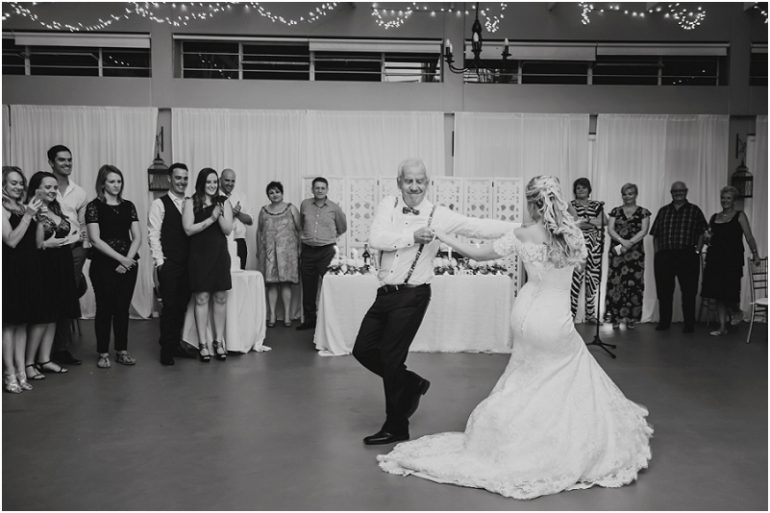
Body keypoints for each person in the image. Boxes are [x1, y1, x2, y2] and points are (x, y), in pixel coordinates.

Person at [377, 175, 653, 500]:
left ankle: (516, 433)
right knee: (562, 374)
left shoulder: (522, 234)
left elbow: (479, 254)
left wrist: (445, 236)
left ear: (532, 203)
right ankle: (547, 437)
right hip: (553, 318)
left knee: (527, 376)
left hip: (524, 317)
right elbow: (576, 267)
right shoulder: (573, 234)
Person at [353, 158, 514, 446]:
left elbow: (477, 227)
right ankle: (412, 383)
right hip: (385, 293)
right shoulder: (388, 204)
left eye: (420, 181)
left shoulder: (437, 215)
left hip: (413, 295)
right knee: (362, 350)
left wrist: (524, 227)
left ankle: (396, 426)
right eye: (409, 181)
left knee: (391, 358)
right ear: (399, 182)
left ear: (427, 183)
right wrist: (412, 236)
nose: (414, 187)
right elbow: (377, 238)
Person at [25, 172, 80, 379]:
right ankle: (29, 363)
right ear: (36, 189)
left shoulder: (56, 208)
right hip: (43, 267)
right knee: (42, 317)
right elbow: (33, 244)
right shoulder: (30, 210)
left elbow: (65, 233)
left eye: (55, 187)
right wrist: (48, 243)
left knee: (54, 316)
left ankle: (45, 359)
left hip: (61, 266)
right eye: (47, 187)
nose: (52, 191)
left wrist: (76, 236)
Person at [86, 165, 141, 368]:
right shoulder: (94, 206)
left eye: (119, 181)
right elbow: (95, 239)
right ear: (102, 184)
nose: (116, 185)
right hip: (103, 264)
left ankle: (122, 351)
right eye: (111, 181)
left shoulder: (129, 206)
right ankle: (103, 353)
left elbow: (137, 237)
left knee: (122, 308)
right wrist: (121, 259)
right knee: (104, 308)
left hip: (128, 263)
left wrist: (127, 261)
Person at [183, 168, 233, 362]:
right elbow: (188, 230)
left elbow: (227, 230)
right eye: (208, 182)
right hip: (199, 256)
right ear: (201, 183)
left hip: (219, 255)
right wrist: (211, 218)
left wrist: (218, 214)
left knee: (220, 297)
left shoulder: (223, 202)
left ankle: (218, 342)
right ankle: (203, 343)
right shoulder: (191, 202)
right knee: (202, 298)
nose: (212, 185)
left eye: (214, 182)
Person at [2, 167, 43, 392]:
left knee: (23, 324)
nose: (18, 187)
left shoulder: (23, 207)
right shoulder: (1, 208)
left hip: (28, 271)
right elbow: (10, 240)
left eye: (20, 183)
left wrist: (38, 218)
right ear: (2, 184)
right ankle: (9, 373)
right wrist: (28, 216)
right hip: (10, 272)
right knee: (9, 325)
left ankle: (21, 370)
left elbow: (36, 243)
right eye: (13, 183)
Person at [700, 186, 761, 336]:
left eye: (728, 198)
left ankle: (737, 311)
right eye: (723, 198)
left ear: (734, 200)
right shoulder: (714, 217)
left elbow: (749, 236)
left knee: (729, 293)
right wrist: (706, 238)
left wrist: (755, 254)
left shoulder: (740, 215)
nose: (725, 201)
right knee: (717, 294)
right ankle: (722, 327)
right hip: (714, 259)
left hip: (732, 260)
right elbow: (708, 240)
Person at [148, 163, 191, 366]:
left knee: (182, 306)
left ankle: (175, 344)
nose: (182, 182)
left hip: (188, 264)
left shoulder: (191, 203)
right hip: (169, 263)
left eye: (185, 178)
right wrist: (160, 263)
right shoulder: (159, 204)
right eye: (178, 178)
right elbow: (153, 234)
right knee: (170, 307)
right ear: (169, 179)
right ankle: (166, 349)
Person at [650, 181, 707, 333]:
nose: (678, 193)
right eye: (675, 191)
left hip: (687, 255)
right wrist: (657, 253)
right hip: (665, 256)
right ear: (671, 193)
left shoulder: (694, 210)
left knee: (689, 292)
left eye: (681, 191)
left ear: (686, 191)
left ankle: (689, 325)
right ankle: (664, 323)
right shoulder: (663, 211)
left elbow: (703, 232)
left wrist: (698, 251)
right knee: (664, 292)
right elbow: (655, 234)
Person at [48, 145, 87, 366]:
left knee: (67, 296)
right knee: (49, 295)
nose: (67, 163)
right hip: (49, 250)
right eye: (62, 160)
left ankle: (61, 349)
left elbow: (83, 224)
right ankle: (43, 350)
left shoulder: (79, 192)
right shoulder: (44, 187)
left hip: (73, 250)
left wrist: (84, 248)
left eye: (69, 160)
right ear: (51, 163)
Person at [296, 177, 347, 331]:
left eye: (322, 188)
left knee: (329, 286)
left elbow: (342, 227)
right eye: (317, 188)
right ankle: (310, 320)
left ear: (327, 190)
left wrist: (327, 237)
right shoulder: (305, 204)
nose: (319, 190)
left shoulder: (334, 208)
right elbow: (301, 224)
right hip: (308, 250)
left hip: (327, 252)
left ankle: (330, 321)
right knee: (308, 287)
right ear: (312, 189)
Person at [604, 183, 651, 329]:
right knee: (616, 283)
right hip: (617, 250)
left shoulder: (643, 212)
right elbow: (610, 230)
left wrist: (629, 243)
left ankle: (631, 318)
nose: (627, 196)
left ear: (636, 194)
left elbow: (644, 231)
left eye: (630, 193)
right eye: (624, 194)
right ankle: (615, 317)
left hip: (635, 252)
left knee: (634, 284)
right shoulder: (615, 211)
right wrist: (622, 241)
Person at [256, 181, 300, 328]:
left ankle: (287, 315)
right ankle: (272, 316)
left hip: (288, 253)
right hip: (269, 253)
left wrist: (300, 249)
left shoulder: (291, 208)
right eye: (271, 192)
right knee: (272, 284)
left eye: (277, 192)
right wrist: (259, 250)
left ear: (282, 193)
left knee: (286, 283)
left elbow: (299, 229)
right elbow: (259, 232)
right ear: (268, 195)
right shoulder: (263, 211)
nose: (274, 195)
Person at [568, 177, 607, 322]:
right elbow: (573, 223)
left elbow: (604, 221)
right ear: (575, 190)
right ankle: (571, 315)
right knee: (575, 279)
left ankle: (591, 315)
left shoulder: (597, 205)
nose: (581, 190)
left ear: (589, 189)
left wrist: (587, 221)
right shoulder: (570, 205)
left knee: (593, 278)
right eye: (578, 188)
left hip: (595, 245)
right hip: (577, 245)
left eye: (584, 187)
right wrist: (593, 223)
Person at [219, 168, 253, 270]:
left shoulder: (241, 196)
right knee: (221, 275)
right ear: (220, 179)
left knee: (240, 275)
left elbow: (250, 220)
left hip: (239, 242)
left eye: (232, 181)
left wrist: (237, 213)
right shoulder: (214, 196)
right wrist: (231, 213)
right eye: (227, 180)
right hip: (221, 242)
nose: (230, 184)